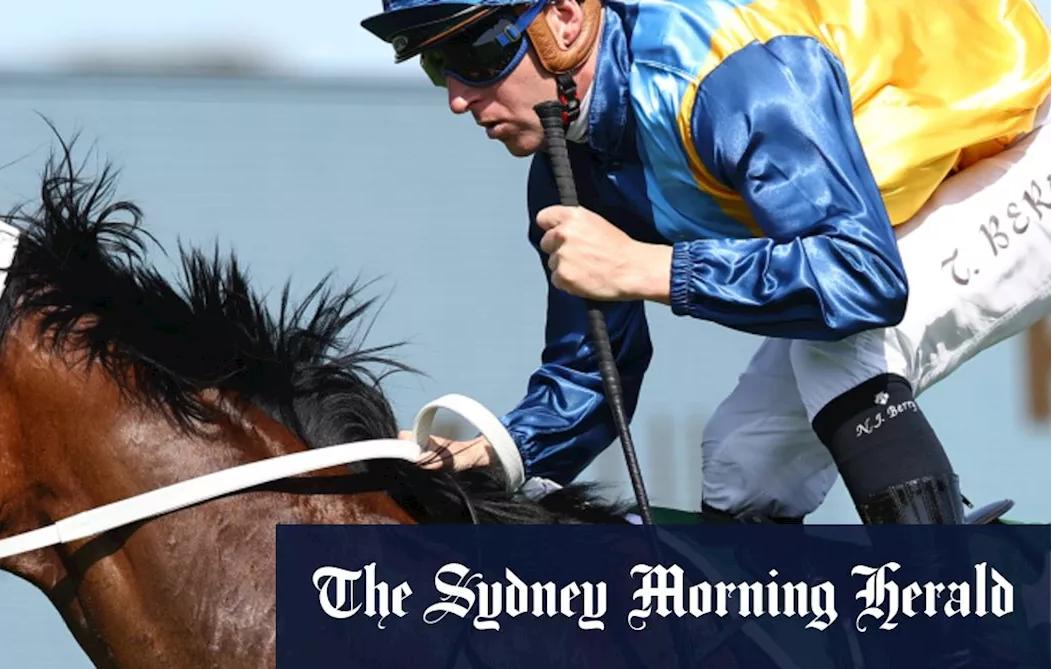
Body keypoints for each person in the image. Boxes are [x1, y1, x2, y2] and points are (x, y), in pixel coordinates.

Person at [361, 0, 1052, 525]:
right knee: (741, 456)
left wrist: (651, 268)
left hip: (1026, 144)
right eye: (435, 64)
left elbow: (866, 280)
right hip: (915, 198)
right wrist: (499, 452)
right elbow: (592, 373)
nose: (457, 96)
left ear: (565, 19)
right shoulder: (568, 164)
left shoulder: (729, 81)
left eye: (477, 54)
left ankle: (952, 629)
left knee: (838, 357)